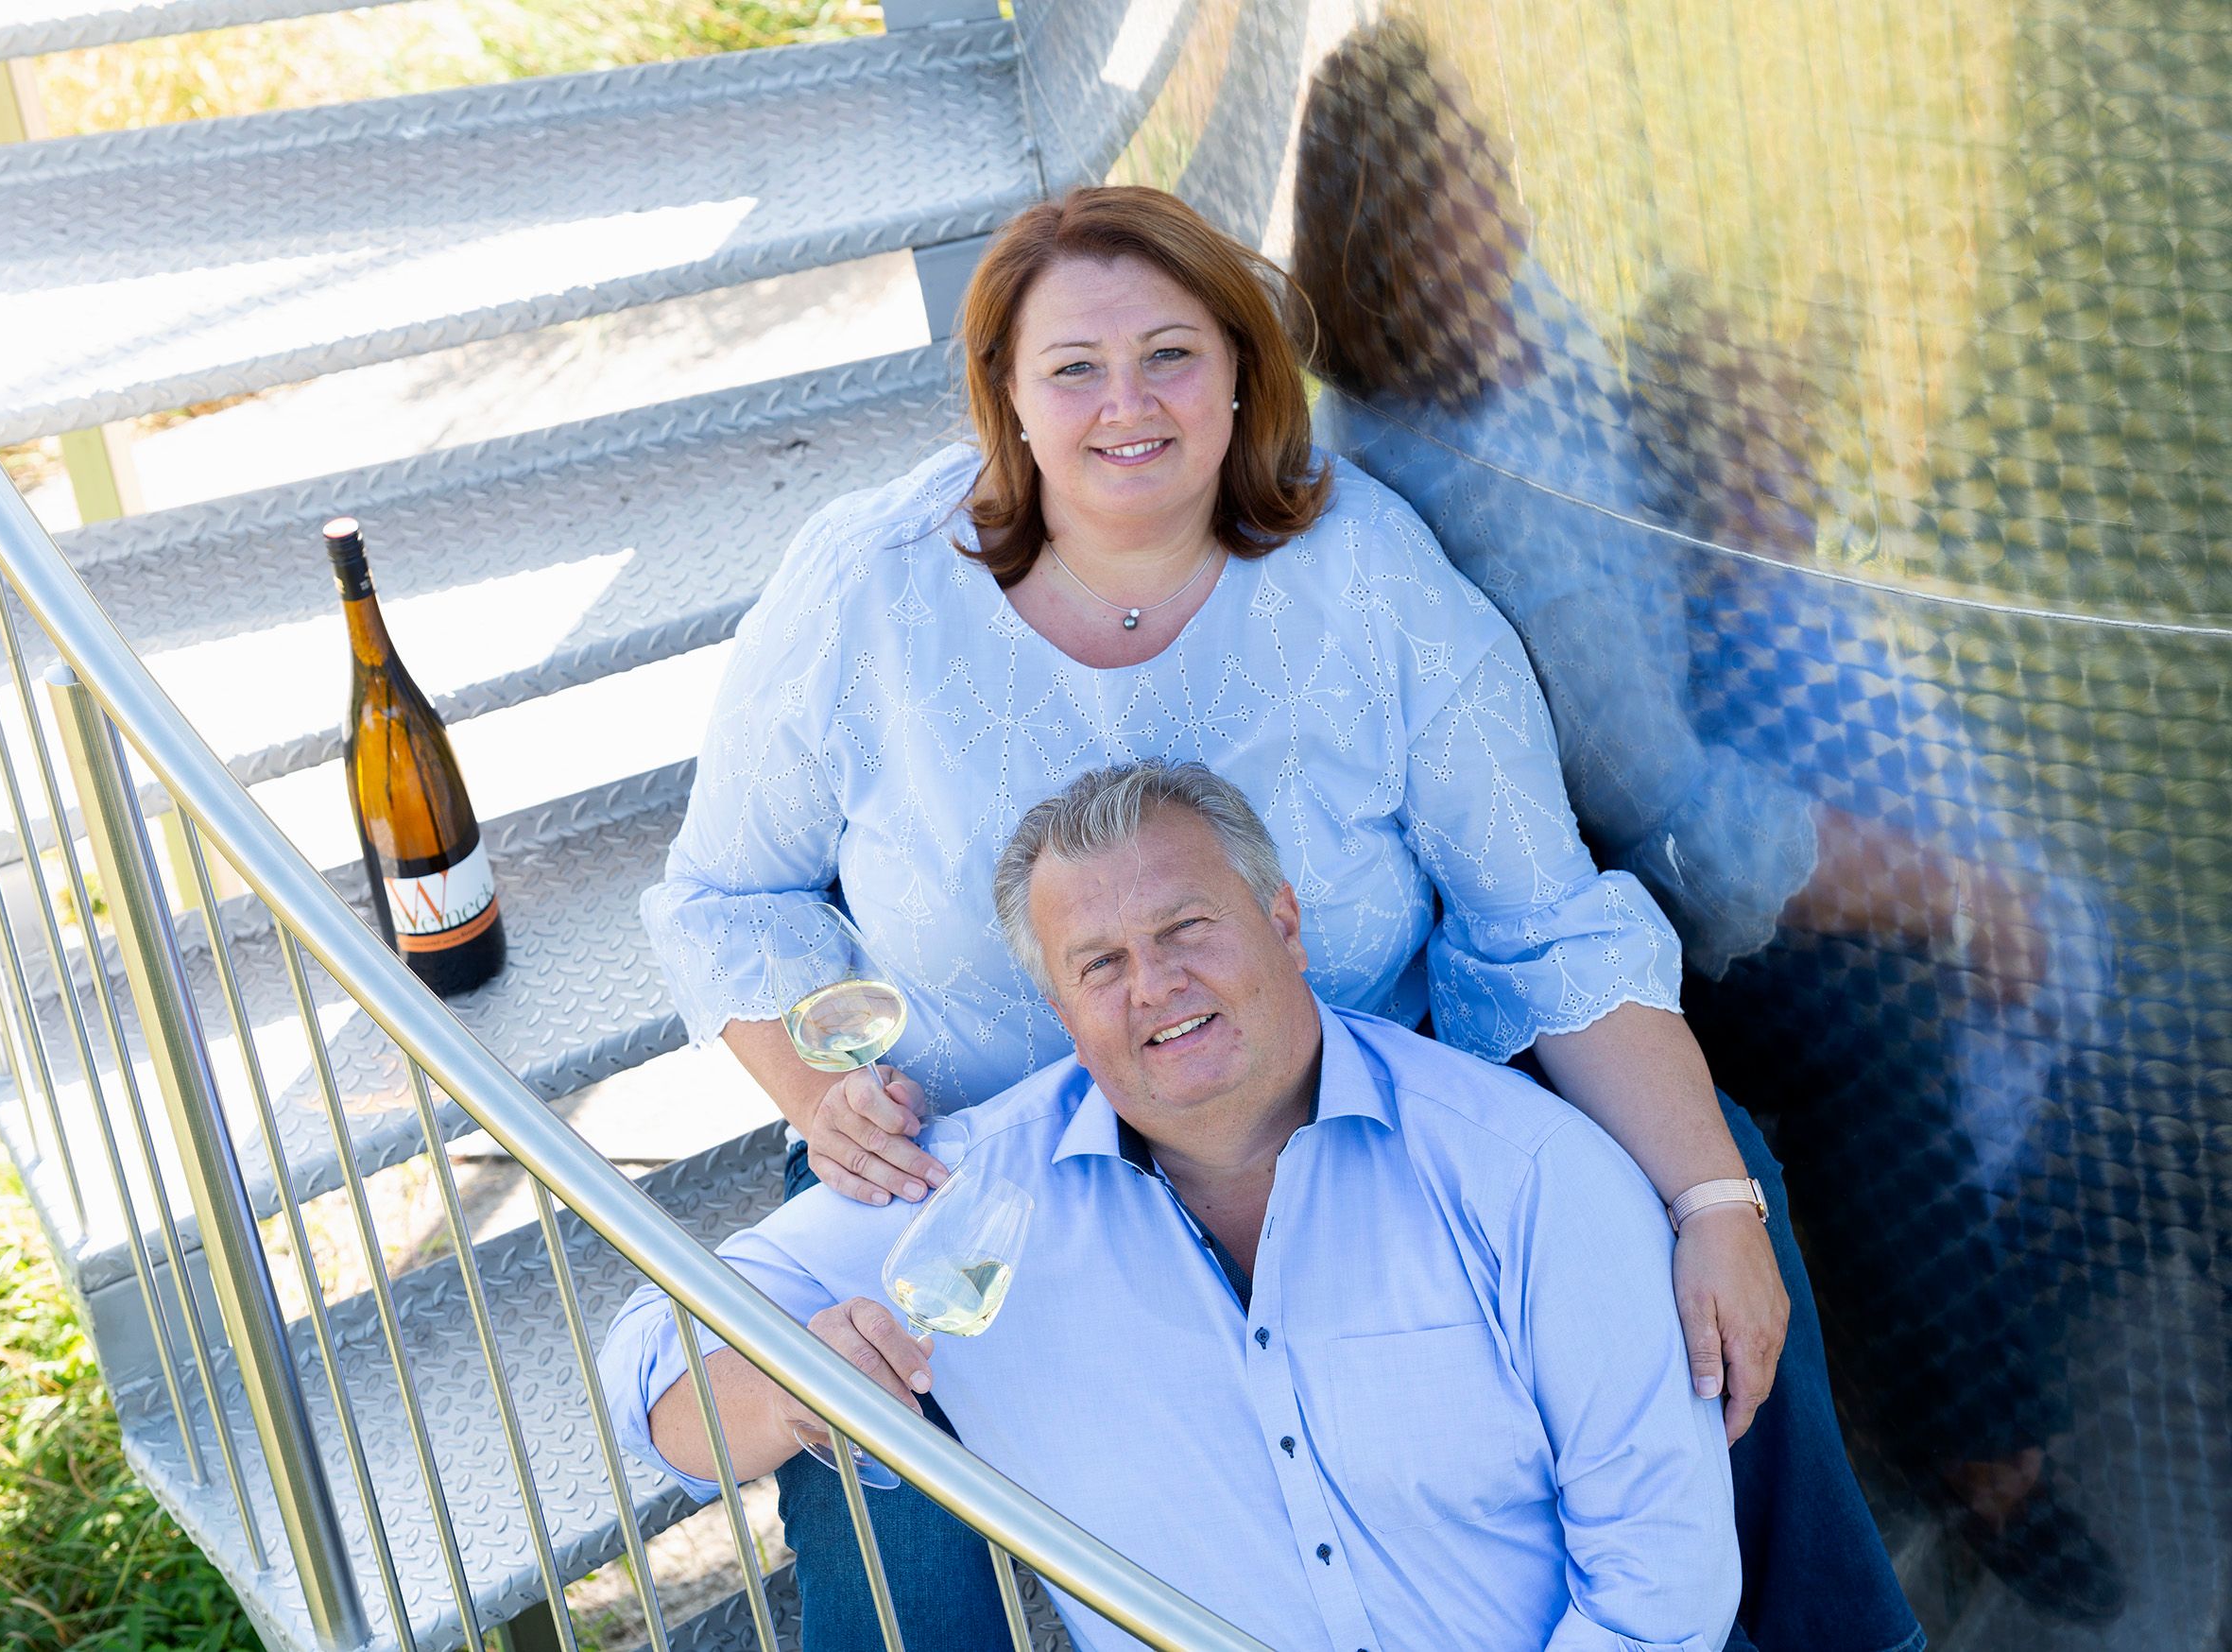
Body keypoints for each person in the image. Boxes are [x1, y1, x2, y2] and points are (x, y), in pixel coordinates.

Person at [640, 182, 1876, 1649]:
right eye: (1074, 369)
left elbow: (1542, 921)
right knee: (868, 1447)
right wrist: (820, 1088)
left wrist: (1712, 1207)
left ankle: (1835, 1634)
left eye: (1171, 353)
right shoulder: (871, 587)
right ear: (1006, 401)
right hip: (980, 1171)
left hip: (1349, 1133)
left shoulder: (1365, 573)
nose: (1127, 407)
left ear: (1241, 373)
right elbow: (724, 895)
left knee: (1724, 1207)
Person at [1287, 10, 2117, 1626]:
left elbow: (1653, 494)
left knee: (2003, 865)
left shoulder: (1516, 316)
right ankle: (1987, 1455)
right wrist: (1950, 899)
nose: (1500, 221)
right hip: (1547, 898)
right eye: (1451, 206)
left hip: (1672, 745)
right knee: (1876, 1017)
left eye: (1488, 173)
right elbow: (1674, 825)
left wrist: (1736, 450)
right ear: (1378, 255)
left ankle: (1999, 1256)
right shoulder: (1465, 497)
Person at [608, 762, 1743, 1652]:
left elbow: (1660, 1586)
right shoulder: (966, 1197)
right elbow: (648, 1373)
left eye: (1187, 927)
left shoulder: (1528, 1171)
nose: (1153, 984)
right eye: (1098, 962)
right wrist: (786, 1385)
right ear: (1060, 1005)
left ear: (1284, 923)